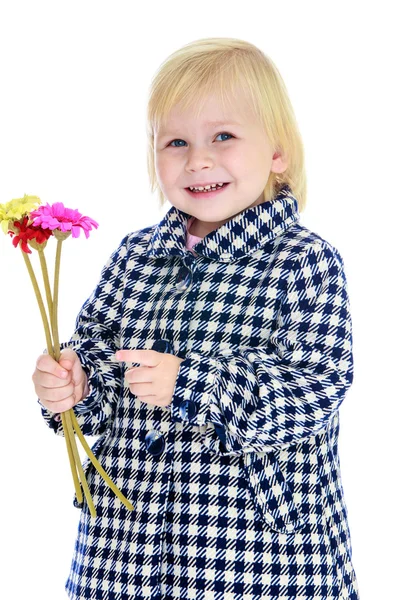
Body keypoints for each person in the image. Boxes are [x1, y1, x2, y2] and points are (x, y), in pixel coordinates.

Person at [32, 37, 360, 600]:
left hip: (258, 562)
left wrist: (192, 383)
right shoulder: (135, 258)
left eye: (223, 137)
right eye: (176, 141)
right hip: (121, 558)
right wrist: (71, 386)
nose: (198, 159)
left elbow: (315, 390)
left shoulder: (303, 261)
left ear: (277, 153)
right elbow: (97, 372)